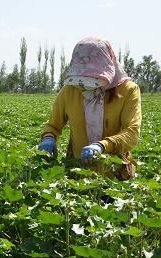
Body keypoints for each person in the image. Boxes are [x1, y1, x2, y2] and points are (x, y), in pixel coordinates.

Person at [39, 36, 141, 180]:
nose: (84, 85)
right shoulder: (70, 90)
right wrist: (48, 138)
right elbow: (53, 125)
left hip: (115, 177)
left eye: (92, 79)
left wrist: (103, 146)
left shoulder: (128, 91)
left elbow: (132, 133)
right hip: (77, 173)